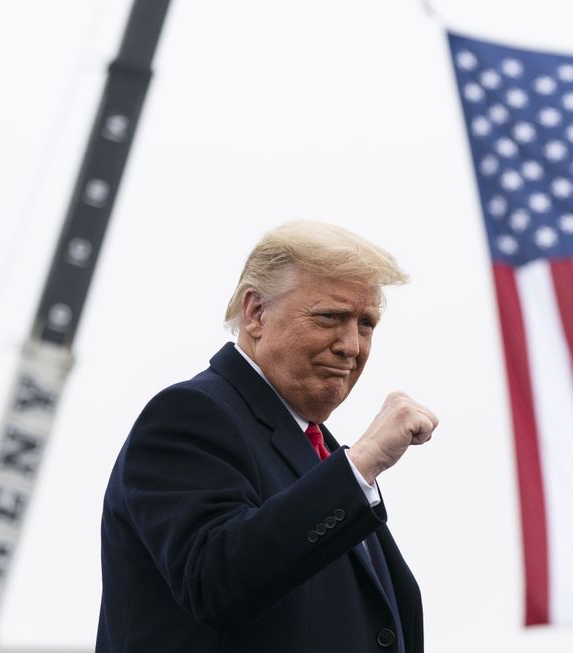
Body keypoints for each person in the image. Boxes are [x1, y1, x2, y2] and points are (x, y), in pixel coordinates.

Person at [96, 220, 438, 652]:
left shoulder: (315, 448)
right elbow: (215, 582)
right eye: (330, 317)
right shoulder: (189, 416)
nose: (351, 345)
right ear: (256, 313)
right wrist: (363, 461)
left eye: (366, 323)